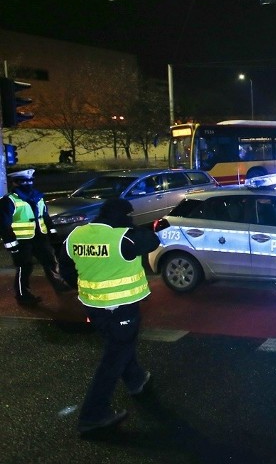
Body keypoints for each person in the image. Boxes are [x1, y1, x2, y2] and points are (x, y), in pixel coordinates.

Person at [58, 198, 161, 435]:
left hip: (93, 307)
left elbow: (64, 266)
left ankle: (136, 380)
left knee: (119, 346)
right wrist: (133, 227)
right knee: (113, 358)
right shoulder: (124, 238)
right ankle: (93, 415)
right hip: (121, 308)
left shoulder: (77, 235)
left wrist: (85, 287)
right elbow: (151, 240)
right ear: (123, 216)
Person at [1, 168, 71, 305]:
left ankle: (58, 285)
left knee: (50, 262)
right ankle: (22, 295)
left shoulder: (38, 196)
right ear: (15, 183)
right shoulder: (8, 201)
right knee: (24, 267)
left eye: (30, 181)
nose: (28, 184)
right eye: (24, 181)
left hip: (40, 237)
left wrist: (52, 232)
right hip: (22, 241)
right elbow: (3, 225)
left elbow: (45, 216)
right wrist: (11, 244)